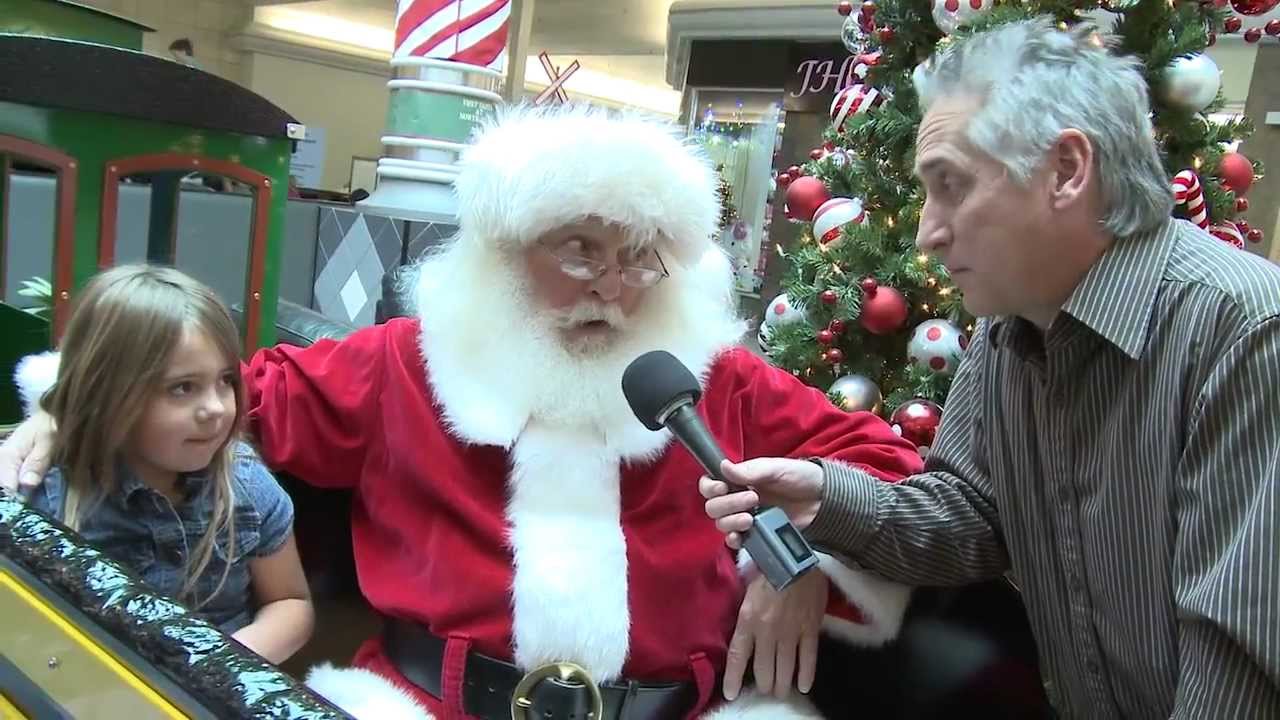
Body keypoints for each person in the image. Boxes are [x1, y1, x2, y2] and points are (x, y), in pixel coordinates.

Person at [3, 105, 925, 719]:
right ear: (506, 249)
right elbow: (226, 393)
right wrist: (68, 409)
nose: (613, 284)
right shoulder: (404, 364)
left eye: (643, 255)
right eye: (579, 248)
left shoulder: (720, 379)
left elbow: (884, 465)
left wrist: (803, 561)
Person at [700, 18, 1280, 719]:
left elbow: (1237, 662)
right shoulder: (1013, 325)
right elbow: (970, 522)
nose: (927, 231)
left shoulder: (1244, 330)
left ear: (1066, 170)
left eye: (951, 186)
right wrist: (824, 497)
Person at [12, 264, 314, 665]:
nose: (215, 408)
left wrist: (219, 669)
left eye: (225, 380)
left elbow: (291, 602)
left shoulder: (247, 485)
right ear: (107, 394)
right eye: (182, 388)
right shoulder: (43, 498)